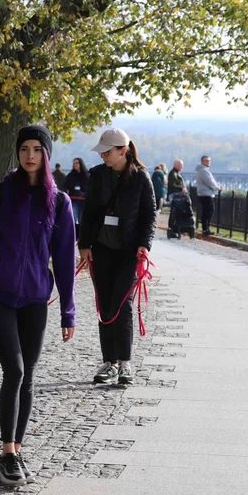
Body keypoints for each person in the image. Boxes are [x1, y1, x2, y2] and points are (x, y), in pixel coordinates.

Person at [0, 124, 77, 487]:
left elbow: (62, 259)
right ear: (18, 153)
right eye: (25, 148)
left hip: (35, 299)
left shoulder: (58, 202)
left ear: (47, 155)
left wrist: (68, 311)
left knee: (28, 374)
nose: (30, 155)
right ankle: (7, 452)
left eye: (37, 149)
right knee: (13, 369)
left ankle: (17, 448)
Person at [79, 128, 156, 386]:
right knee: (105, 305)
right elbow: (88, 212)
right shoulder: (97, 175)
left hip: (128, 252)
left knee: (122, 306)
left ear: (123, 151)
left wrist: (145, 244)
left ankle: (124, 363)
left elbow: (149, 214)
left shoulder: (141, 178)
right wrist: (84, 244)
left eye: (107, 151)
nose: (102, 155)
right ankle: (109, 362)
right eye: (101, 151)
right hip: (101, 249)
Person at [195, 155, 222, 236]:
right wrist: (218, 188)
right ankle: (205, 228)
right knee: (209, 211)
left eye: (209, 161)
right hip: (206, 194)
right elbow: (210, 182)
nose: (208, 162)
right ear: (202, 161)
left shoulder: (202, 170)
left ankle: (205, 228)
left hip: (203, 193)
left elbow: (211, 181)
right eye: (206, 161)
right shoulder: (203, 171)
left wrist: (217, 186)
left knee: (206, 211)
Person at [64, 158, 89, 236]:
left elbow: (90, 187)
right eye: (74, 163)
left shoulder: (86, 175)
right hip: (74, 200)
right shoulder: (71, 175)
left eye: (77, 163)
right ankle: (73, 235)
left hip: (84, 200)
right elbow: (65, 186)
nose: (75, 165)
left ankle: (82, 236)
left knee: (82, 219)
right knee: (73, 218)